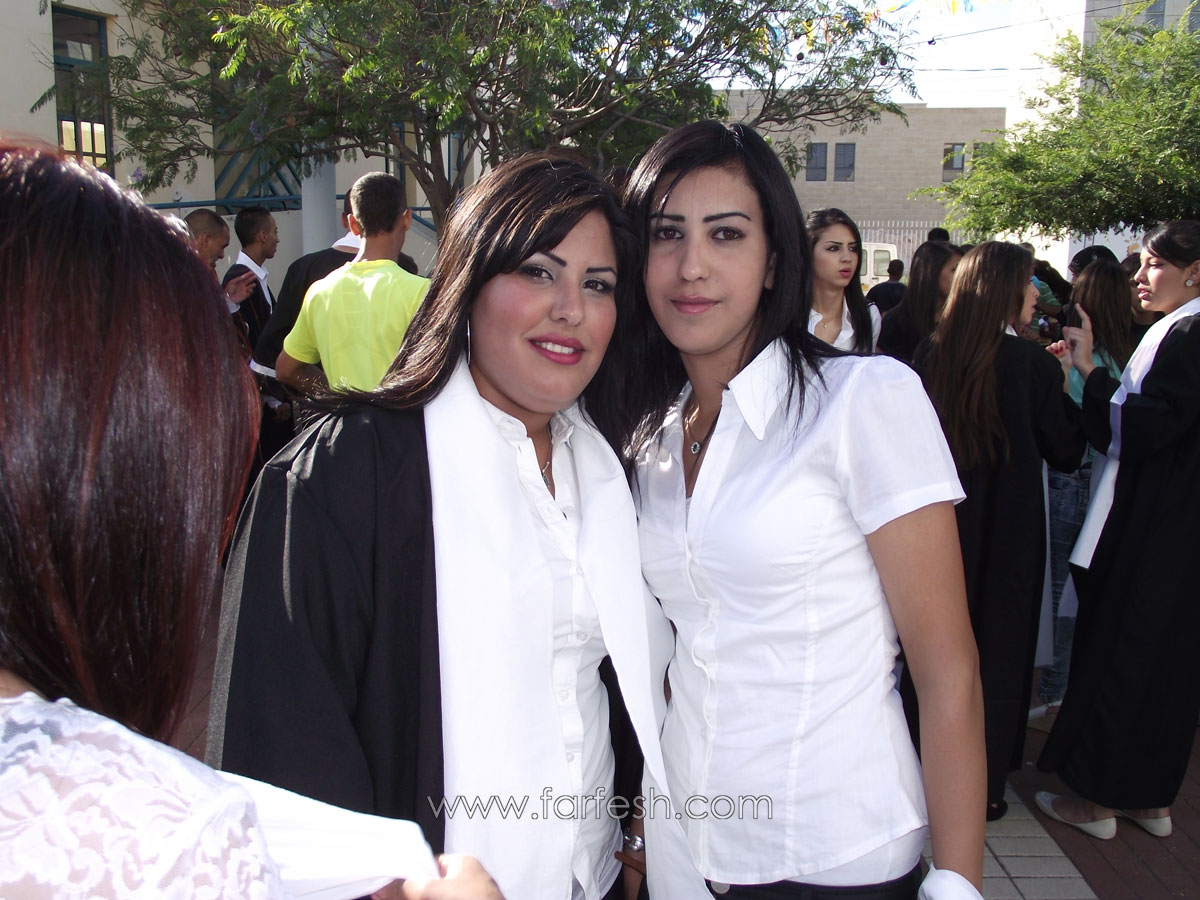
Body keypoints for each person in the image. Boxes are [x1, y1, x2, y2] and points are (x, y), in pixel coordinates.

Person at [0, 143, 501, 900]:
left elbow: (285, 367)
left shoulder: (321, 289)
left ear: (350, 220)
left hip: (327, 460)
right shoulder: (164, 838)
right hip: (402, 483)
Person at [209, 152, 709, 900]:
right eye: (538, 272)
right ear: (467, 284)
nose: (570, 309)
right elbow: (280, 766)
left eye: (597, 284)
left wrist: (635, 823)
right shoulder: (345, 477)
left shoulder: (609, 469)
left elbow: (614, 690)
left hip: (595, 877)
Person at [615, 121, 985, 899]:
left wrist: (956, 883)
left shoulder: (862, 401)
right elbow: (686, 655)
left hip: (832, 849)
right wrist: (646, 823)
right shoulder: (651, 436)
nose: (691, 265)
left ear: (774, 260)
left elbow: (947, 670)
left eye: (726, 234)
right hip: (687, 846)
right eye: (666, 234)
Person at [1036, 220, 1200, 841]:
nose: (1140, 277)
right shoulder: (1179, 328)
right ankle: (1148, 799)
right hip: (1176, 523)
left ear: (1195, 272)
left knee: (1123, 651)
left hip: (1154, 524)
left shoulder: (1187, 332)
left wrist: (1090, 372)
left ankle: (1097, 799)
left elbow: (1150, 425)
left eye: (1154, 264)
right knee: (1168, 662)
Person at [915, 241, 1085, 821]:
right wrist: (1065, 379)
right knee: (1000, 653)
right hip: (1011, 533)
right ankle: (981, 787)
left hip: (939, 526)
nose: (1036, 292)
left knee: (933, 648)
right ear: (1004, 290)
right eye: (1028, 281)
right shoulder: (1032, 365)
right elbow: (1067, 450)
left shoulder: (931, 354)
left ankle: (922, 769)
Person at [1035, 260, 1137, 716]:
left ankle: (1054, 687)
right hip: (1104, 481)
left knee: (1060, 587)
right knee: (1081, 587)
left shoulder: (1085, 355)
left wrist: (1062, 374)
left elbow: (1070, 418)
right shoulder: (1131, 354)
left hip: (1073, 476)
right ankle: (1064, 684)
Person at [276, 172, 431, 394]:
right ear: (407, 218)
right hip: (401, 415)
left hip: (345, 416)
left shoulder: (320, 292)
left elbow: (286, 369)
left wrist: (339, 397)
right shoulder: (421, 292)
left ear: (352, 224)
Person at [877, 240, 962, 367]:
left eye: (963, 270)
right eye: (955, 269)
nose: (962, 276)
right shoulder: (896, 321)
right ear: (932, 272)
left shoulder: (963, 317)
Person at [806, 208, 880, 352]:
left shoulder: (869, 316)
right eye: (834, 248)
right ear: (808, 253)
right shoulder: (784, 315)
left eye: (853, 249)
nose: (847, 258)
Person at [183, 207, 256, 304]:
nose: (222, 255)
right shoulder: (172, 277)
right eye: (222, 247)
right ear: (206, 240)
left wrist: (227, 300)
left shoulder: (207, 274)